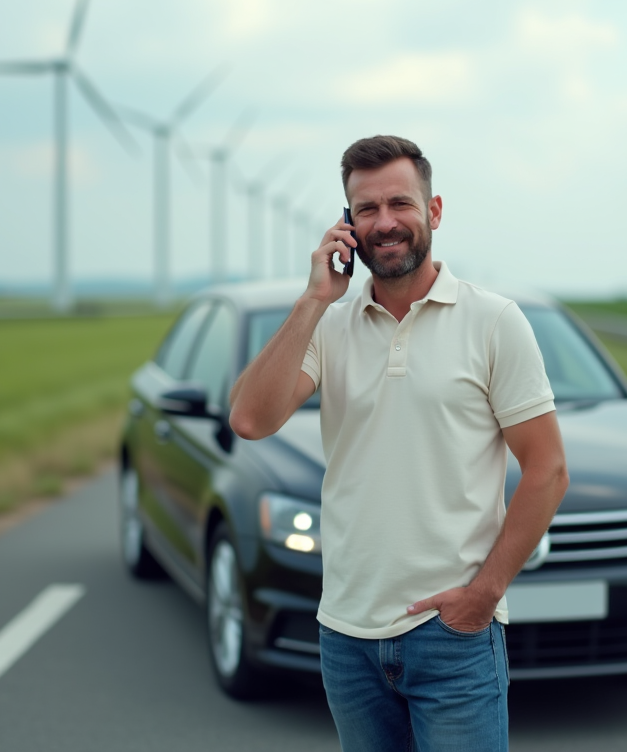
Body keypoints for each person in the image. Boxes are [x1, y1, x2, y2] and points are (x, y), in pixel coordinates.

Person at [229, 135, 568, 751]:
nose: (385, 222)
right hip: (346, 637)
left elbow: (547, 470)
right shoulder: (328, 325)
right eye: (366, 210)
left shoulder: (493, 322)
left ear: (433, 211)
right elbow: (251, 419)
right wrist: (314, 298)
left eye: (400, 204)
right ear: (347, 226)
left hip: (453, 636)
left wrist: (484, 596)